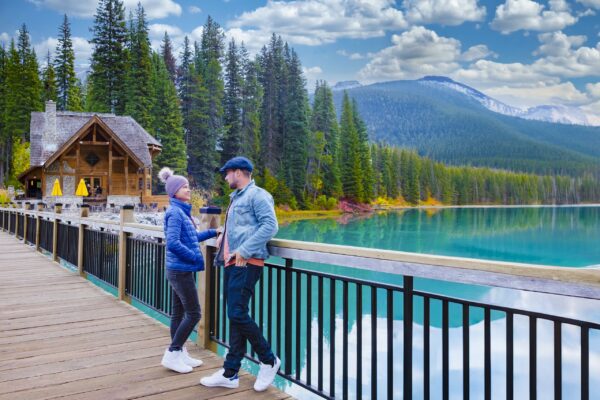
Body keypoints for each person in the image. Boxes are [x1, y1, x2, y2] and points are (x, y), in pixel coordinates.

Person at [200, 156, 280, 392]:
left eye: (227, 173)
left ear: (239, 172)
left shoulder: (258, 195)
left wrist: (244, 249)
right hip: (231, 262)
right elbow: (244, 228)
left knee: (236, 312)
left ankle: (269, 359)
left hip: (248, 261)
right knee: (236, 314)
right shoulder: (236, 198)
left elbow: (270, 225)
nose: (225, 178)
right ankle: (230, 372)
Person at [158, 167, 218, 373]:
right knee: (194, 313)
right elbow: (173, 243)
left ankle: (180, 352)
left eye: (188, 186)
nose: (189, 190)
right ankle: (173, 352)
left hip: (178, 269)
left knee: (178, 312)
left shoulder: (181, 211)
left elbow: (191, 238)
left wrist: (213, 231)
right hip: (180, 270)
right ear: (174, 191)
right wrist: (195, 257)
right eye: (184, 187)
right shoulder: (175, 213)